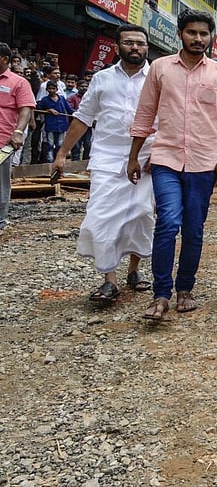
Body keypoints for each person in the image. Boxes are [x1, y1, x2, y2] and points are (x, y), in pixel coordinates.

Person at [128, 9, 217, 322]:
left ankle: (185, 288)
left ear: (211, 37)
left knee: (193, 228)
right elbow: (145, 114)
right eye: (192, 33)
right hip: (165, 158)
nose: (198, 39)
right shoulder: (160, 68)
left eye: (204, 34)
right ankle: (161, 294)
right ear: (181, 33)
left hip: (203, 160)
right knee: (167, 222)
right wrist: (134, 156)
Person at [50, 24, 155, 304]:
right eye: (129, 42)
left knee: (141, 216)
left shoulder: (157, 78)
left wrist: (158, 154)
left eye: (140, 43)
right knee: (100, 217)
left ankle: (134, 270)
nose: (135, 48)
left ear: (147, 47)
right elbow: (83, 118)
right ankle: (109, 279)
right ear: (118, 46)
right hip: (108, 159)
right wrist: (62, 154)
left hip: (146, 160)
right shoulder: (102, 79)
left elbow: (168, 118)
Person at [0, 42, 35, 232]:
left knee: (1, 180)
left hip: (3, 141)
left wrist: (19, 132)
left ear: (4, 59)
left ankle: (0, 220)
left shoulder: (19, 82)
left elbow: (26, 109)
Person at [36, 81, 74, 162]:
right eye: (49, 88)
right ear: (46, 89)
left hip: (62, 125)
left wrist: (76, 114)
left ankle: (58, 161)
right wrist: (49, 110)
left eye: (53, 88)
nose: (51, 90)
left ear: (57, 89)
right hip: (50, 125)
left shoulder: (62, 99)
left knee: (60, 144)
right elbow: (38, 108)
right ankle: (50, 161)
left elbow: (69, 109)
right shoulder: (45, 100)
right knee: (50, 144)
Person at [67, 80, 92, 161]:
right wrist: (80, 115)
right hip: (77, 124)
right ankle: (75, 163)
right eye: (82, 86)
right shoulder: (72, 97)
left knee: (88, 144)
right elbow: (69, 109)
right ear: (77, 87)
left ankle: (85, 163)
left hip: (88, 125)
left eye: (86, 86)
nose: (84, 88)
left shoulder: (91, 98)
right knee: (76, 145)